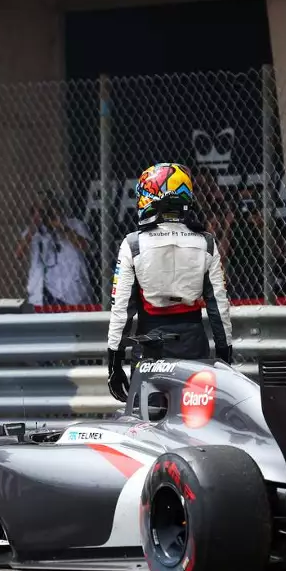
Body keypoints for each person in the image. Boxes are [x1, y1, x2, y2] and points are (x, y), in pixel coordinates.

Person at [105, 162, 233, 402]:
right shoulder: (206, 242)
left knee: (148, 423)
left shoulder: (133, 244)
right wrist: (225, 358)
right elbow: (219, 308)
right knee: (196, 423)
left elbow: (121, 310)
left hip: (150, 344)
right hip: (194, 344)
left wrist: (114, 363)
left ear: (151, 195)